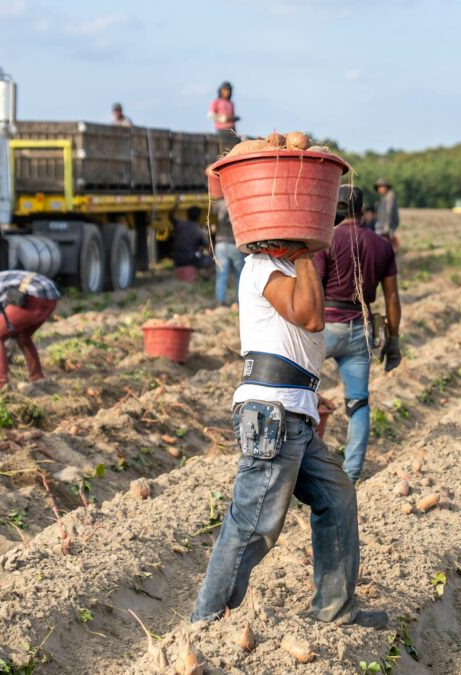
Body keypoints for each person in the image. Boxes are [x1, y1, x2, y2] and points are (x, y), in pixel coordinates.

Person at [191, 234, 386, 629]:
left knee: (336, 495)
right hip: (272, 413)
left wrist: (309, 396)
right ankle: (205, 624)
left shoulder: (287, 267)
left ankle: (334, 608)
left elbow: (298, 338)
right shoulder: (264, 266)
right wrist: (306, 258)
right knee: (253, 524)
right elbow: (311, 317)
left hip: (291, 410)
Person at [313, 186, 403, 483]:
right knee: (359, 403)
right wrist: (393, 339)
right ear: (364, 211)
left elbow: (313, 290)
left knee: (296, 393)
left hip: (326, 328)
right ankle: (350, 474)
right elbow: (392, 298)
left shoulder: (326, 241)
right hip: (361, 331)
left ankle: (303, 468)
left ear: (334, 208)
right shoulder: (381, 245)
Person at [0, 270, 60, 389]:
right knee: (23, 337)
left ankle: (1, 385)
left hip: (33, 295)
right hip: (51, 295)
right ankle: (37, 377)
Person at [212, 199, 244, 305]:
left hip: (220, 244)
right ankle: (239, 302)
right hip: (234, 244)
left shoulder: (218, 204)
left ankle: (220, 301)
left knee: (221, 274)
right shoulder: (238, 203)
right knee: (239, 275)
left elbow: (211, 221)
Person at [172, 206, 211, 276]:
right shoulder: (199, 230)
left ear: (187, 215)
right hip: (191, 260)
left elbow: (170, 217)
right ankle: (205, 275)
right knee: (206, 255)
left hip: (177, 260)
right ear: (199, 217)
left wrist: (175, 205)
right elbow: (208, 247)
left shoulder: (180, 224)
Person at [208, 81, 238, 150]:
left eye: (228, 90)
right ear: (221, 91)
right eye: (225, 90)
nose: (227, 92)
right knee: (223, 149)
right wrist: (223, 118)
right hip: (222, 130)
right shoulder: (216, 102)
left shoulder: (231, 103)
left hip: (231, 130)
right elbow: (210, 115)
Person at [374, 178, 400, 248]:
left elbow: (389, 212)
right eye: (378, 187)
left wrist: (386, 228)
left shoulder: (389, 196)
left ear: (386, 187)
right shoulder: (384, 198)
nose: (379, 189)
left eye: (381, 187)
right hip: (383, 227)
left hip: (388, 228)